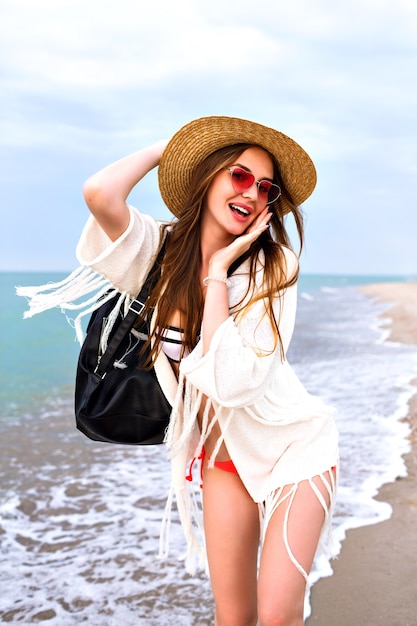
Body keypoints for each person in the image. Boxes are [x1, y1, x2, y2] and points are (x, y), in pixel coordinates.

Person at [19, 116, 338, 625]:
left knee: (278, 616)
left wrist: (216, 277)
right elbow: (100, 193)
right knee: (232, 617)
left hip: (292, 451)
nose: (252, 194)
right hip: (222, 460)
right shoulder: (157, 250)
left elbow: (231, 382)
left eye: (265, 187)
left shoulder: (273, 266)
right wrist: (171, 149)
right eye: (237, 175)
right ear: (208, 177)